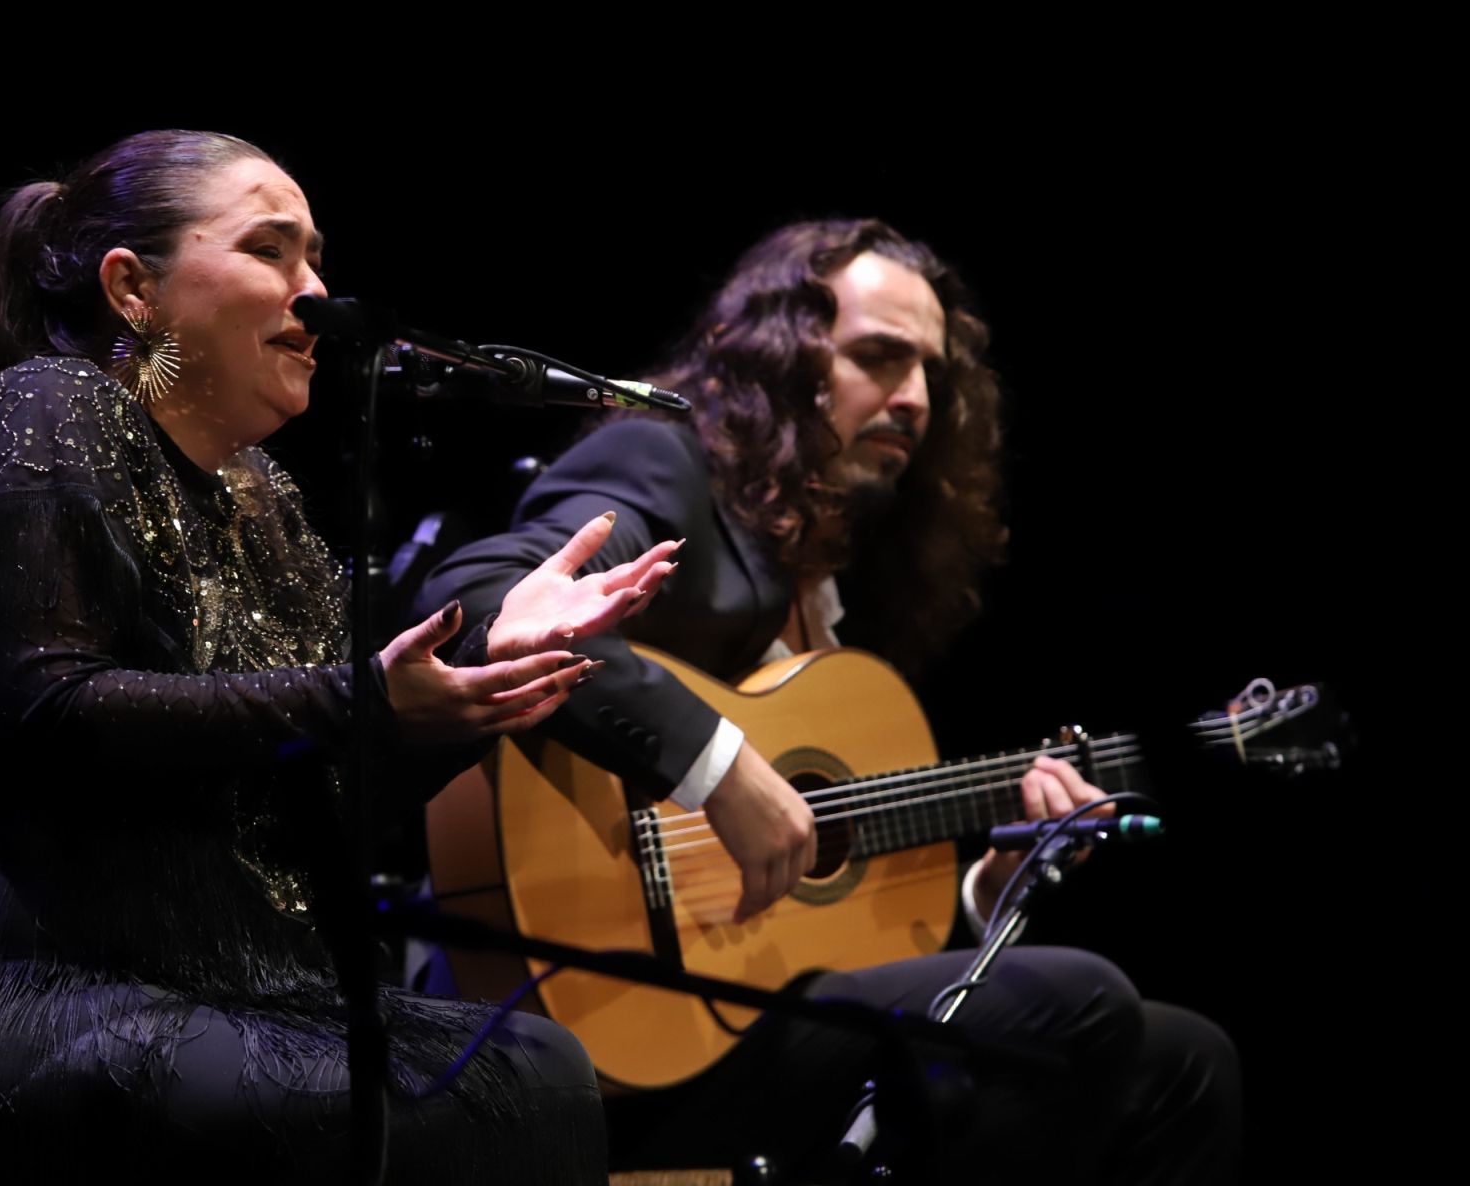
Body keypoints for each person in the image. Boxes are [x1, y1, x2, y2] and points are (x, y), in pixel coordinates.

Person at [0, 130, 680, 1185]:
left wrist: (473, 681)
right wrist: (363, 696)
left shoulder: (258, 496)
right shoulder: (50, 406)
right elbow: (48, 711)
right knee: (418, 1107)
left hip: (157, 964)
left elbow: (314, 811)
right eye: (268, 249)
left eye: (315, 256)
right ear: (133, 287)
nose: (314, 290)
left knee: (540, 1067)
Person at [417, 218, 1241, 1183]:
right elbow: (483, 599)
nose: (915, 397)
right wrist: (718, 767)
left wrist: (991, 888)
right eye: (880, 358)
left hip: (745, 1018)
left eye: (931, 372)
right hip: (593, 1022)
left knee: (1189, 1061)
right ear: (779, 359)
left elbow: (829, 903)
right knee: (1079, 998)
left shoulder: (850, 575)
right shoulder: (661, 463)